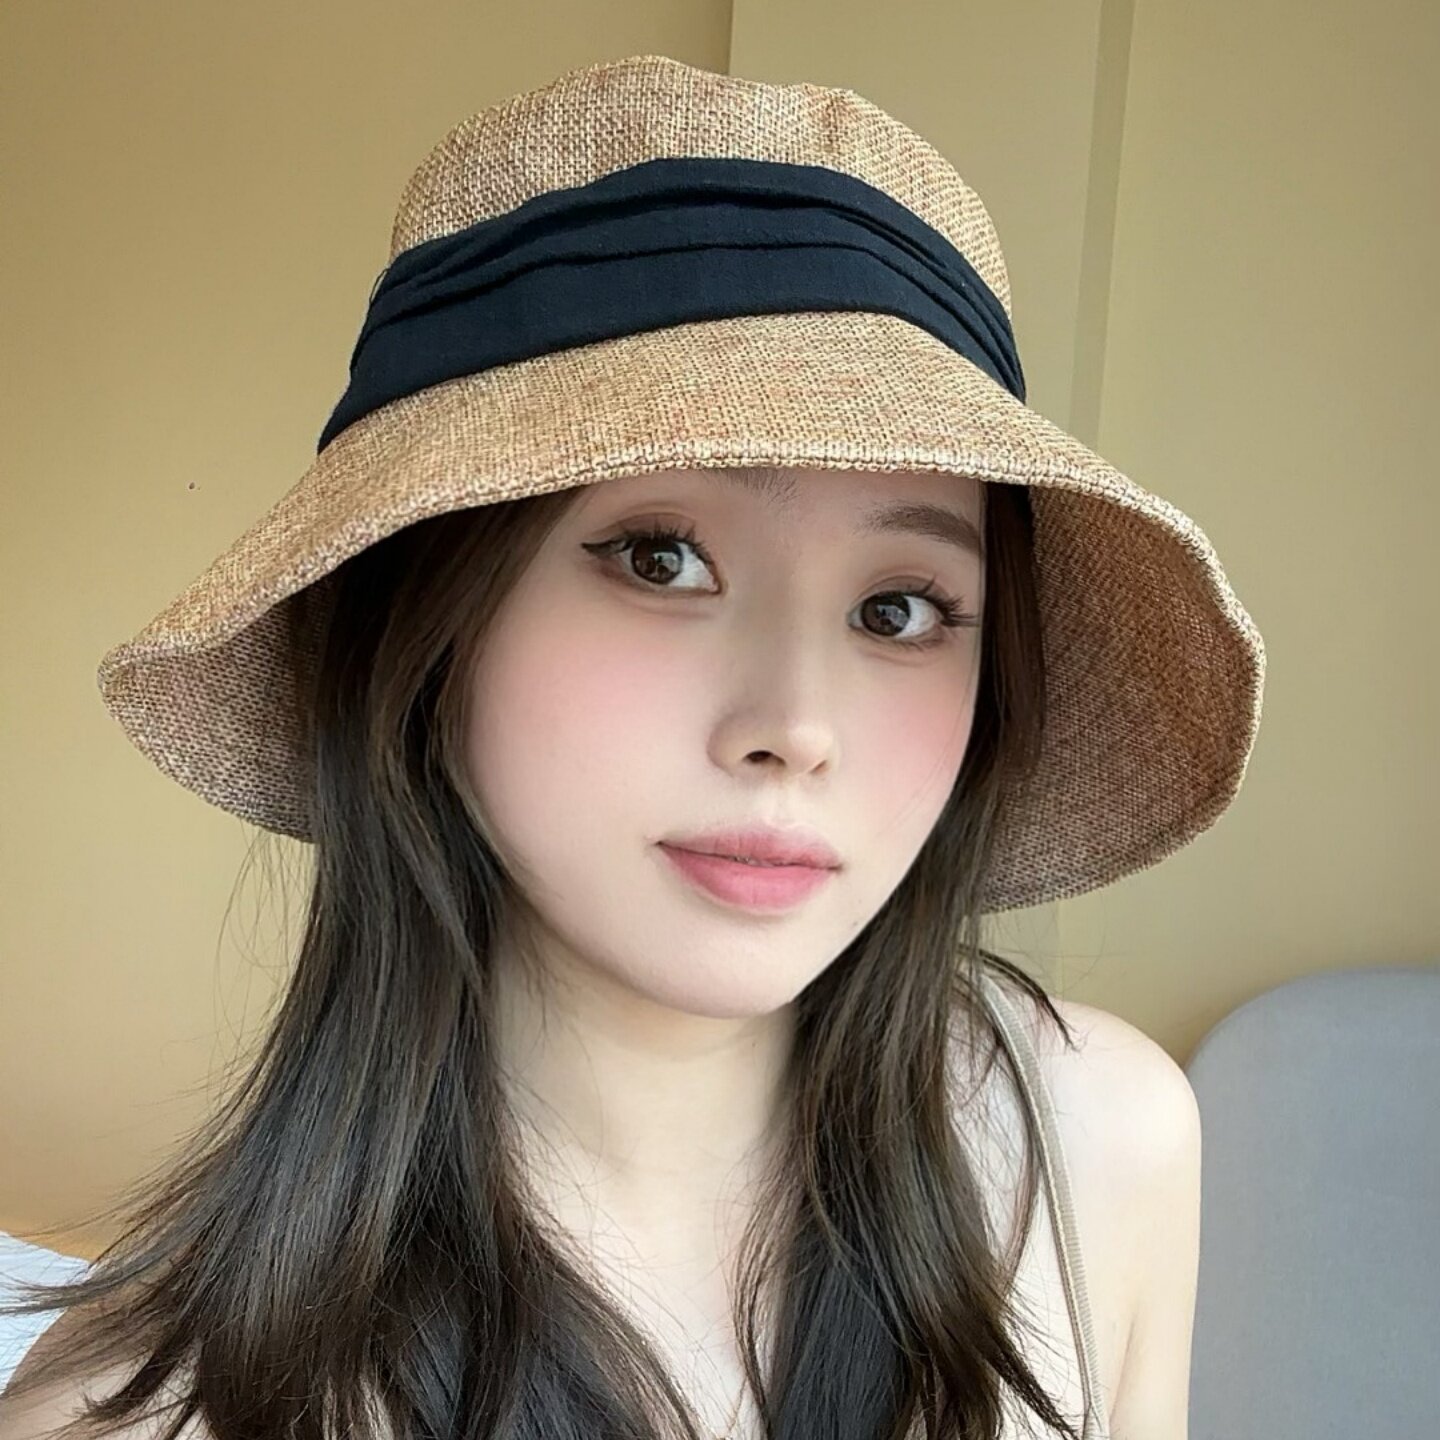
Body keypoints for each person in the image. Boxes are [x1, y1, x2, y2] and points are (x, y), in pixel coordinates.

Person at [0, 52, 1264, 1440]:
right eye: (662, 558)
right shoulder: (145, 1417)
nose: (795, 727)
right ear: (429, 628)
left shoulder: (1098, 1155)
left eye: (900, 609)